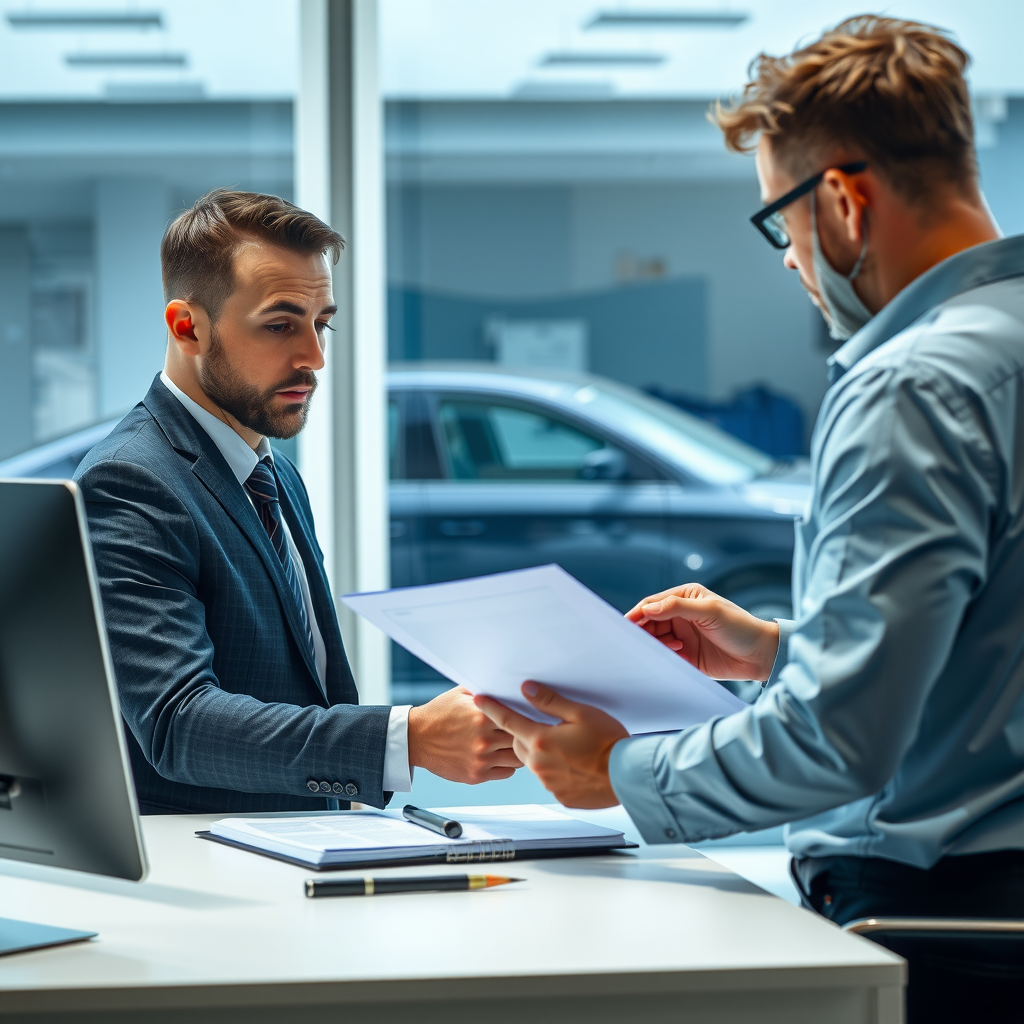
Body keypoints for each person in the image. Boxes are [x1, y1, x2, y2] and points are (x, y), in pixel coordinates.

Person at [475, 17, 1024, 1022]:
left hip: (944, 932)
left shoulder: (913, 385)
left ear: (844, 202)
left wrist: (618, 769)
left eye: (781, 221)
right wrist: (779, 649)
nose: (788, 260)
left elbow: (840, 739)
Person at [76, 189, 520, 815]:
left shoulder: (274, 473)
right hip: (206, 860)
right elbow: (178, 722)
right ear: (187, 326)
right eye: (280, 325)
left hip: (300, 847)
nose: (314, 357)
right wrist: (408, 739)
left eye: (322, 324)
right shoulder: (130, 480)